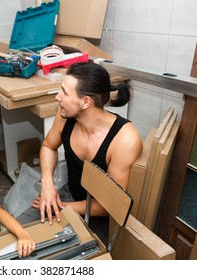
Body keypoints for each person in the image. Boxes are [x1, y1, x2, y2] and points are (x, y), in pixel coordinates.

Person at [17, 62, 143, 245]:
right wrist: (47, 184)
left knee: (65, 255)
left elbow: (110, 205)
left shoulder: (124, 140)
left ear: (85, 102)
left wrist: (62, 208)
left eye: (64, 93)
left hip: (101, 214)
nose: (57, 97)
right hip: (71, 195)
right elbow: (48, 146)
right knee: (18, 232)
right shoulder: (65, 115)